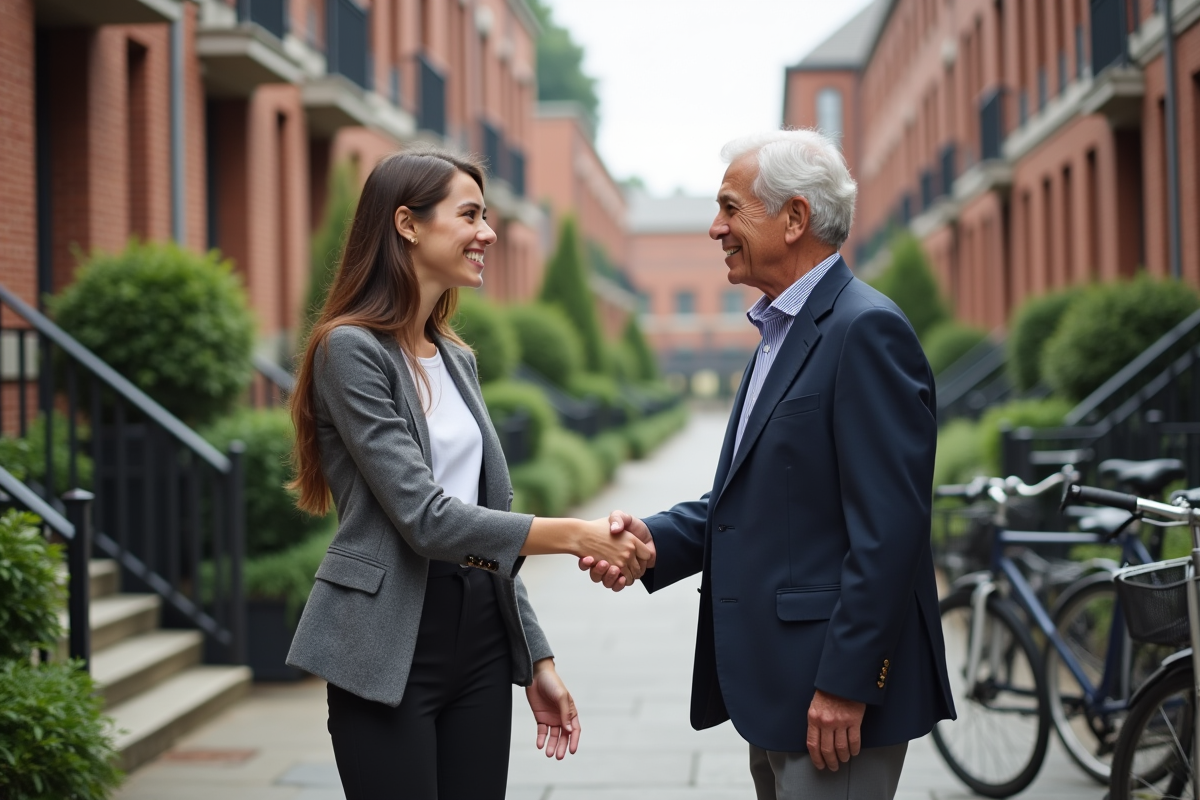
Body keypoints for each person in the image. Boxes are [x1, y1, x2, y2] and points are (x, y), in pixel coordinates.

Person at [581, 129, 954, 800]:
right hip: (781, 689)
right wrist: (651, 539)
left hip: (832, 698)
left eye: (730, 207)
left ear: (795, 218)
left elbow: (891, 531)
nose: (714, 227)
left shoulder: (865, 331)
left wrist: (846, 683)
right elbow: (759, 496)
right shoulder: (780, 332)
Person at [285, 147, 652, 800]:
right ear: (407, 224)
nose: (488, 232)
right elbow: (426, 518)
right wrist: (575, 535)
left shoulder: (456, 359)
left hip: (481, 636)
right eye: (471, 215)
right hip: (388, 641)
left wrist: (534, 654)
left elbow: (484, 521)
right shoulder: (350, 352)